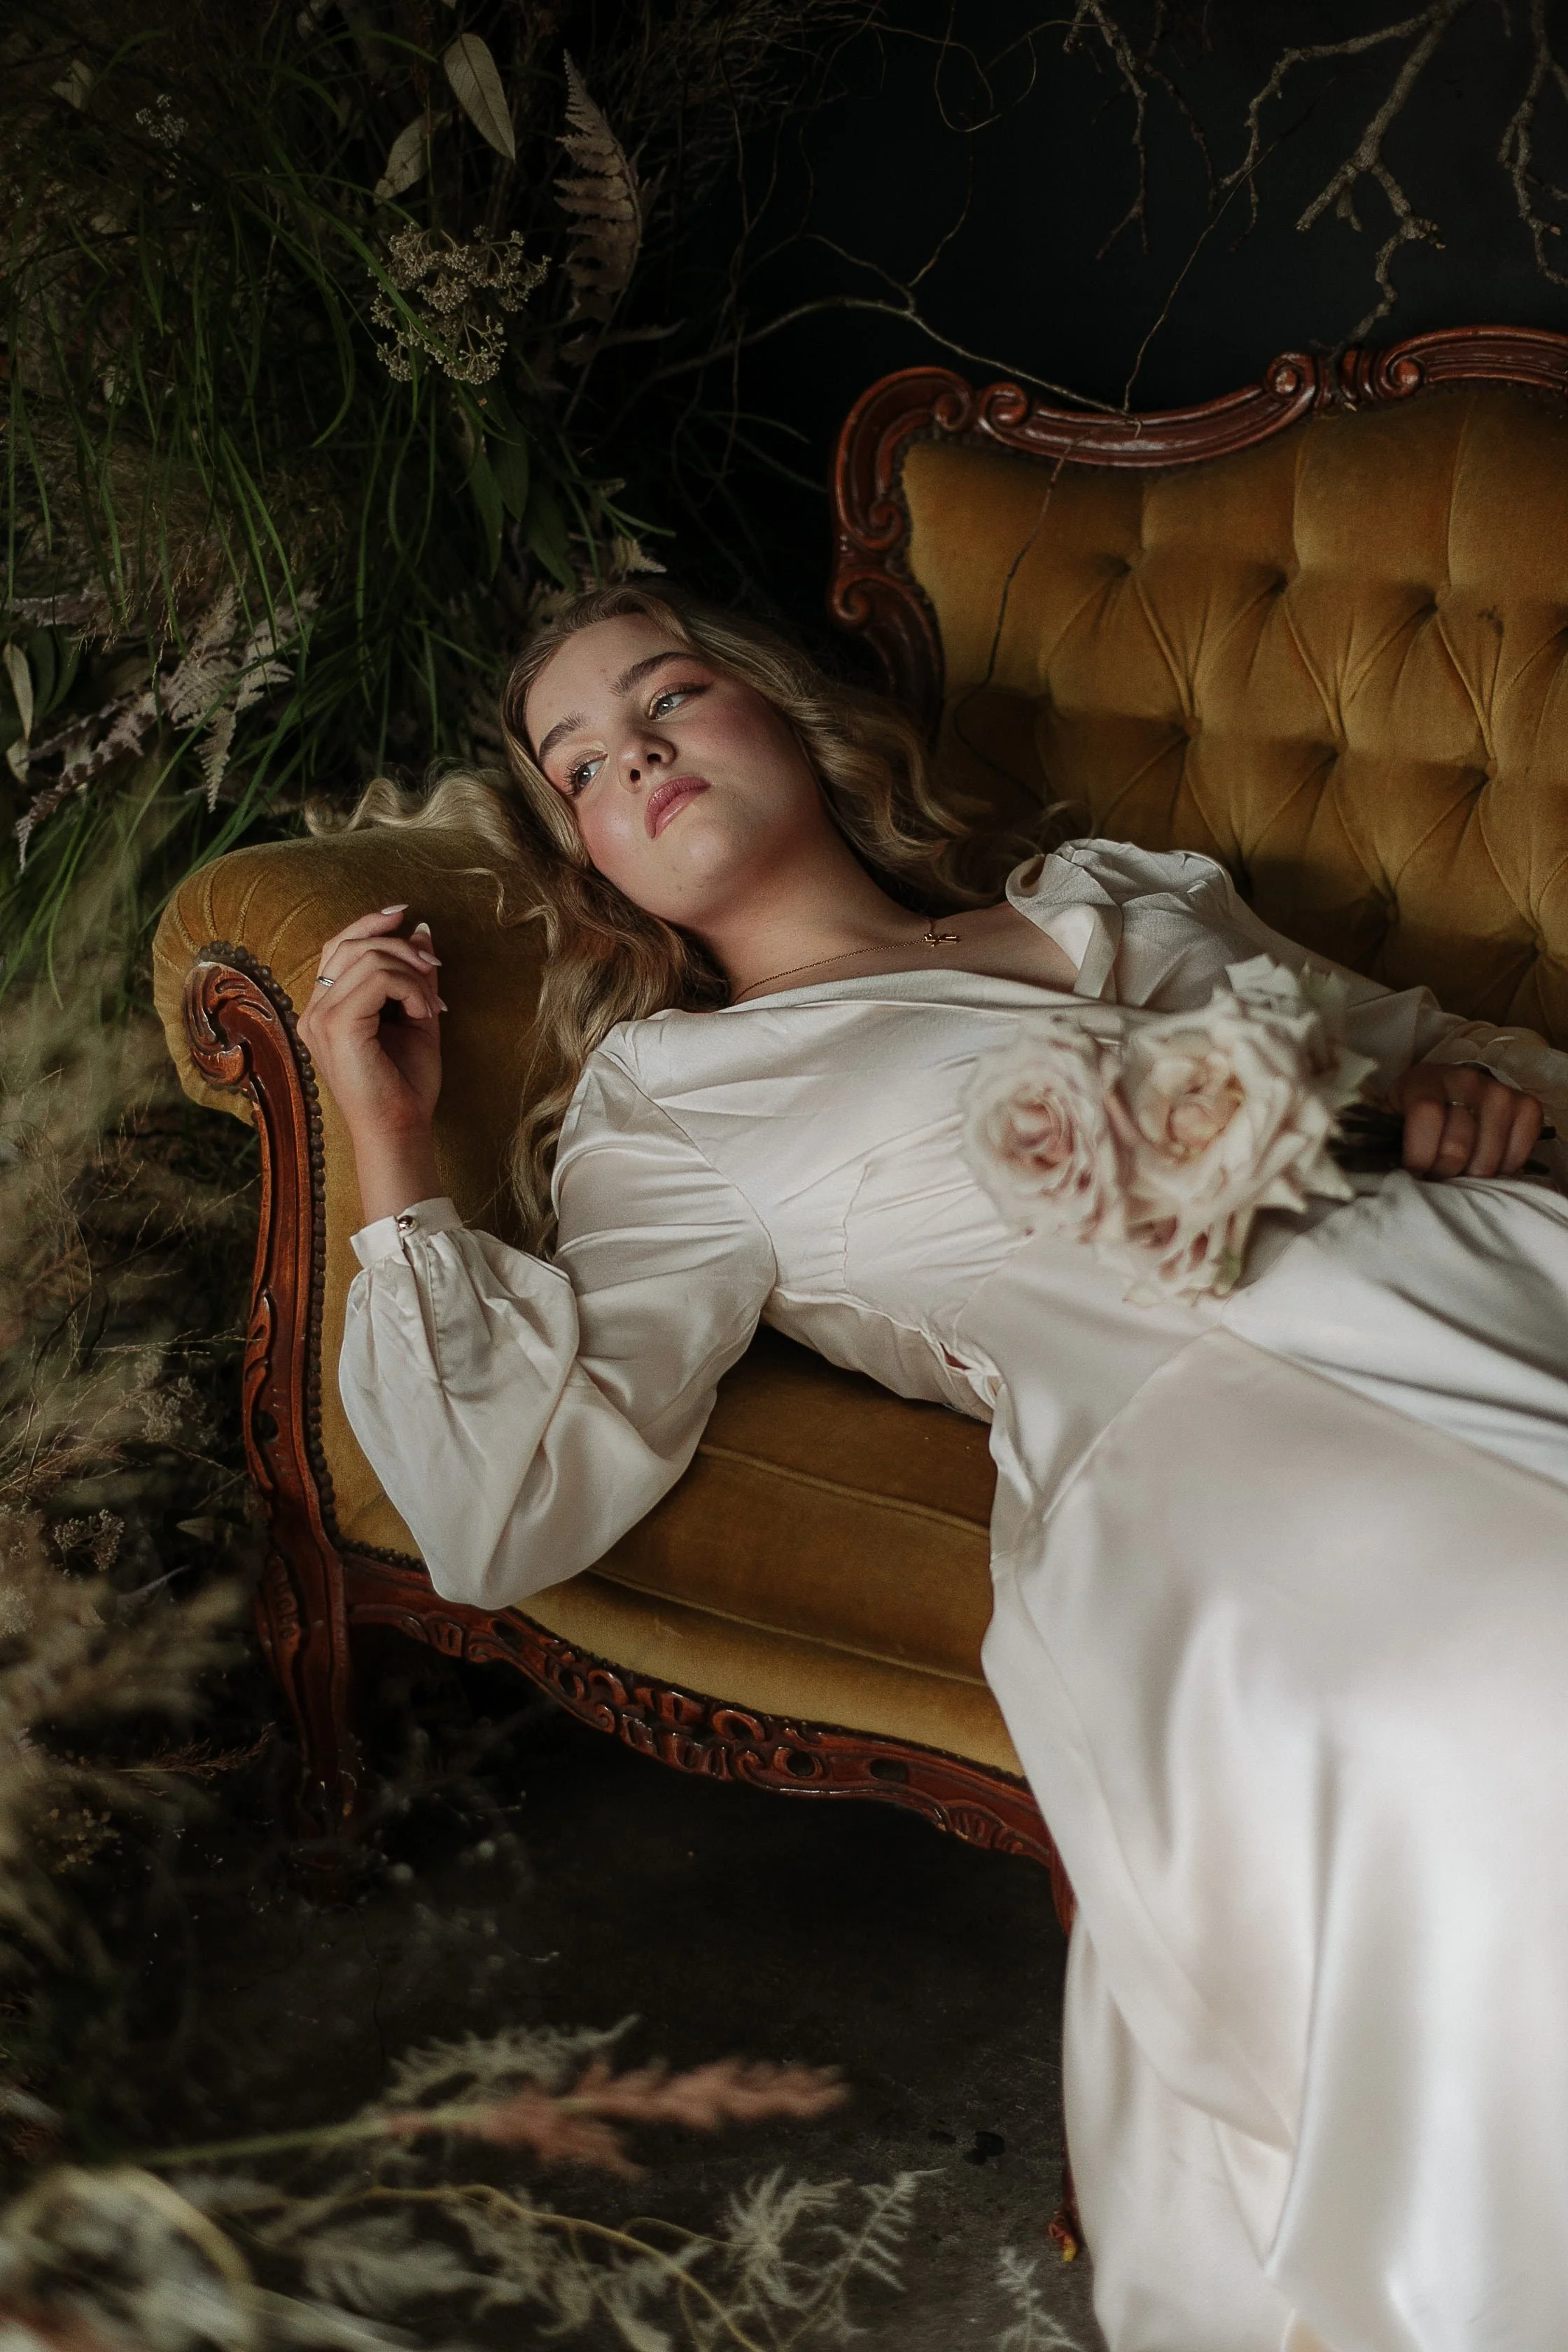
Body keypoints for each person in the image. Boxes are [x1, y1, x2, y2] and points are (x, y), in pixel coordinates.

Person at [298, 585, 1568, 2352]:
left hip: (1474, 1261)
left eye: (668, 697)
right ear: (591, 859)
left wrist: (1459, 1093)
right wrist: (389, 1146)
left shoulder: (1119, 897)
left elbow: (1433, 1054)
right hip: (1193, 1416)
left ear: (783, 714)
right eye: (580, 763)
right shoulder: (673, 1101)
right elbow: (502, 1508)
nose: (635, 756)